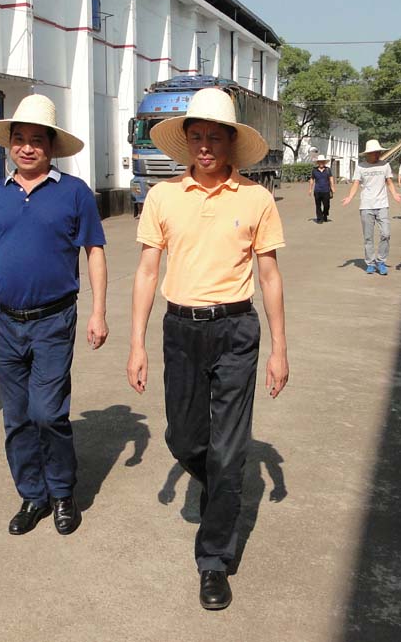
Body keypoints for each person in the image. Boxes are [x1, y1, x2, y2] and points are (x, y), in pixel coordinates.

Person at [127, 87, 289, 611]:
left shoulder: (256, 199)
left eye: (214, 137)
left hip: (237, 329)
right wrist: (136, 343)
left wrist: (280, 349)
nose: (204, 145)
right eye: (195, 136)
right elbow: (147, 271)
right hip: (181, 330)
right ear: (186, 142)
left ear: (230, 143)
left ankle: (214, 560)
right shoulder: (163, 196)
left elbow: (270, 276)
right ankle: (217, 485)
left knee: (230, 449)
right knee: (185, 439)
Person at [0, 94, 107, 537]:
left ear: (51, 146)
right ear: (9, 144)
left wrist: (98, 311)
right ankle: (32, 495)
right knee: (16, 415)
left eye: (37, 140)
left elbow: (94, 251)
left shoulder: (74, 193)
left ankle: (62, 492)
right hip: (5, 322)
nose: (27, 147)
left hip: (54, 320)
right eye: (19, 139)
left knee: (48, 413)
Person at [340, 139, 401, 275]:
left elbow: (389, 182)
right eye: (374, 152)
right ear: (368, 154)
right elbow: (356, 183)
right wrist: (350, 197)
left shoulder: (385, 165)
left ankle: (381, 261)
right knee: (368, 237)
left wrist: (394, 194)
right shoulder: (361, 167)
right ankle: (370, 263)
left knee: (386, 233)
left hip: (382, 204)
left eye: (378, 152)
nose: (377, 154)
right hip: (366, 205)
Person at [309, 154, 334, 223]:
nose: (321, 163)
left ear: (324, 162)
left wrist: (332, 187)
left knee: (326, 205)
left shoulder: (328, 170)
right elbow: (312, 179)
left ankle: (325, 214)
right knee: (318, 205)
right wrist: (310, 189)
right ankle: (319, 218)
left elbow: (331, 178)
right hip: (317, 191)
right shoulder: (314, 170)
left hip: (326, 190)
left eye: (322, 162)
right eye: (320, 162)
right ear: (318, 162)